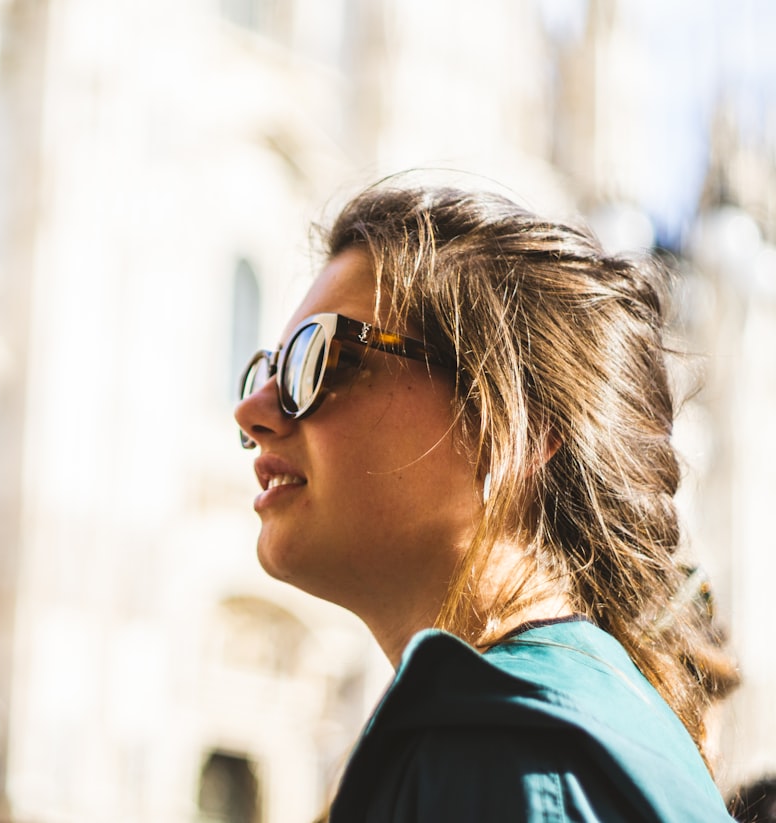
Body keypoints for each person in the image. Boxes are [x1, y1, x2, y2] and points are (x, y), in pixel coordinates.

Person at [233, 177, 737, 822]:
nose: (253, 411)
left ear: (520, 427)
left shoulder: (502, 744)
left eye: (319, 361)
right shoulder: (593, 724)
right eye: (270, 369)